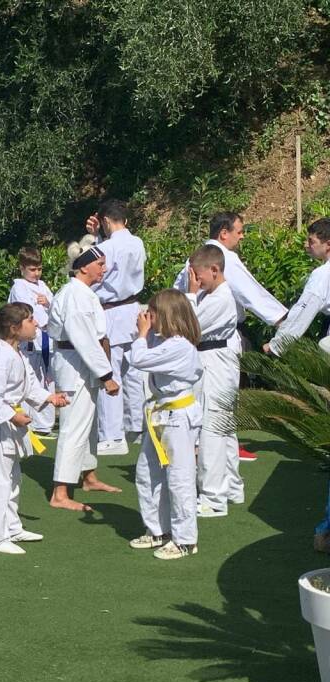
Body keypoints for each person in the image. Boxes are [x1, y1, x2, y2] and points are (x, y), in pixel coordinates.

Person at [174, 211, 287, 466]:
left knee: (206, 395)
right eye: (239, 231)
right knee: (222, 394)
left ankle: (217, 442)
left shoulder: (198, 256)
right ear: (223, 232)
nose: (242, 236)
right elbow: (251, 292)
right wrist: (283, 319)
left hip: (193, 330)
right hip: (216, 333)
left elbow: (176, 291)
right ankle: (221, 444)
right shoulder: (223, 258)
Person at [0, 303, 70, 554]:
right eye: (30, 320)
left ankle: (12, 527)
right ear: (15, 328)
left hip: (10, 425)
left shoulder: (16, 354)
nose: (36, 323)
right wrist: (12, 416)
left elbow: (28, 387)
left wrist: (50, 398)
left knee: (13, 480)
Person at [127, 290, 203, 560]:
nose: (149, 318)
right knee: (147, 473)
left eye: (153, 313)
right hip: (160, 413)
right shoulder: (166, 342)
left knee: (179, 477)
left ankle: (185, 539)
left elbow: (138, 359)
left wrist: (141, 334)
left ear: (166, 315)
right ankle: (159, 529)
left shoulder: (180, 346)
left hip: (177, 416)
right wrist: (146, 334)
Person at [47, 246, 122, 512]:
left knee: (89, 424)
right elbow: (83, 339)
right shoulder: (73, 295)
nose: (104, 268)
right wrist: (107, 375)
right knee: (73, 425)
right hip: (74, 364)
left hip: (83, 363)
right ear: (83, 267)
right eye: (100, 263)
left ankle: (88, 476)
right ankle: (60, 492)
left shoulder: (84, 293)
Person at [84, 200, 147, 456]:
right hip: (133, 309)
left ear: (107, 221)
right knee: (133, 372)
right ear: (126, 220)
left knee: (110, 372)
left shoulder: (106, 247)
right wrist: (98, 236)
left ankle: (112, 435)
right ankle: (135, 425)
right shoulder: (138, 243)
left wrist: (95, 237)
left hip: (111, 310)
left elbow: (90, 271)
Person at [182, 245, 239, 519]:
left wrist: (191, 295)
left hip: (217, 364)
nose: (195, 279)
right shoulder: (212, 293)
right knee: (223, 428)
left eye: (198, 274)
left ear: (215, 270)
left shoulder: (221, 298)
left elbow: (189, 326)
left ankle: (213, 497)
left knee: (213, 431)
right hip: (213, 362)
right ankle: (231, 487)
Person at [7, 247, 56, 437]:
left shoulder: (43, 286)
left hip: (46, 338)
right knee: (31, 379)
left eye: (39, 269)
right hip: (30, 341)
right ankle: (32, 422)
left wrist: (48, 303)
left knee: (47, 379)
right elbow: (24, 312)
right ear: (22, 268)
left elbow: (54, 306)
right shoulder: (18, 287)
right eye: (32, 269)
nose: (36, 273)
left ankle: (45, 424)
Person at [266, 218, 330, 355]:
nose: (306, 245)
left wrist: (277, 345)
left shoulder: (322, 274)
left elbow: (304, 311)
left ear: (328, 244)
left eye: (312, 241)